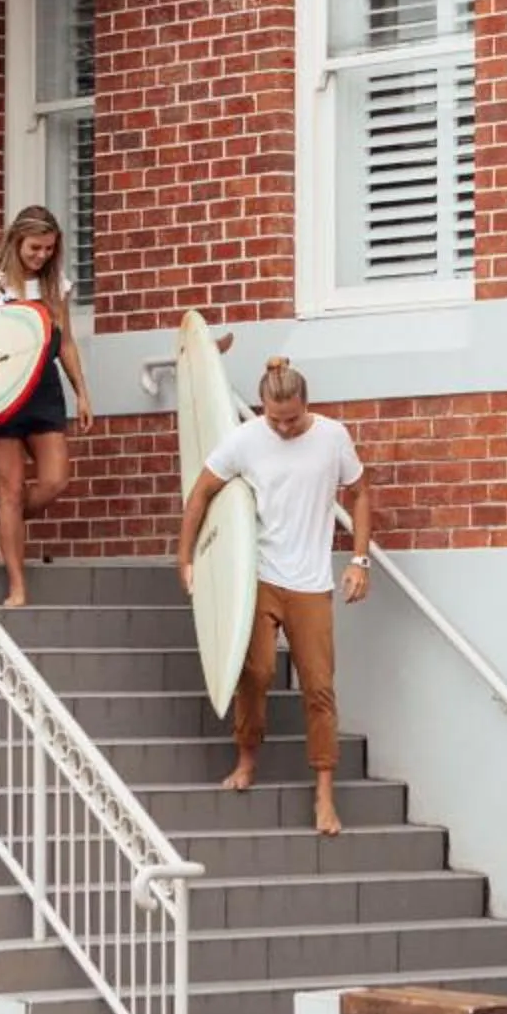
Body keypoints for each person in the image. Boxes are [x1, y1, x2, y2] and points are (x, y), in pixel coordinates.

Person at [177, 357, 370, 838]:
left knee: (319, 686)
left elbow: (361, 494)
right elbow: (200, 494)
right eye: (274, 419)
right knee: (256, 671)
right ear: (262, 406)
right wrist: (186, 558)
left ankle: (324, 793)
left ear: (306, 403)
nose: (283, 428)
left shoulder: (332, 437)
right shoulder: (245, 440)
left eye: (292, 419)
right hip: (259, 576)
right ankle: (246, 759)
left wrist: (360, 560)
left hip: (311, 582)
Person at [0, 205, 93, 609]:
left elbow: (65, 342)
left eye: (49, 248)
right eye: (34, 248)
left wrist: (81, 391)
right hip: (0, 394)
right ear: (15, 241)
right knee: (9, 490)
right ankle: (17, 586)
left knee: (55, 480)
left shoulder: (54, 285)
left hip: (43, 391)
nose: (42, 255)